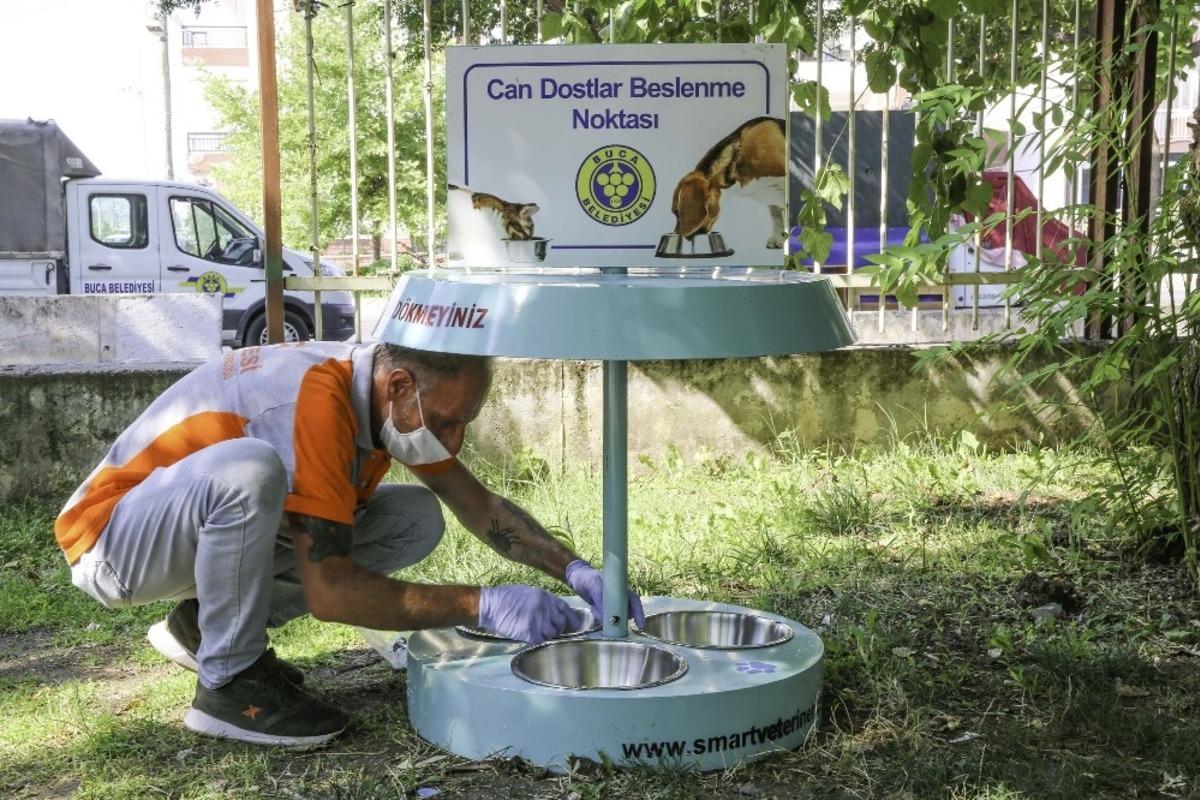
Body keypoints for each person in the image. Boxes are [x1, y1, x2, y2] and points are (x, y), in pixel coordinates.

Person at [55, 340, 645, 749]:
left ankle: (200, 629)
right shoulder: (315, 402)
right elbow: (333, 593)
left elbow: (480, 506)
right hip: (110, 544)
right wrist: (482, 604)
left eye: (463, 423)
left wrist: (576, 571)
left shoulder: (384, 397)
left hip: (179, 534)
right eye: (446, 421)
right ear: (398, 385)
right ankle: (229, 687)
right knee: (250, 472)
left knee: (413, 518)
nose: (454, 441)